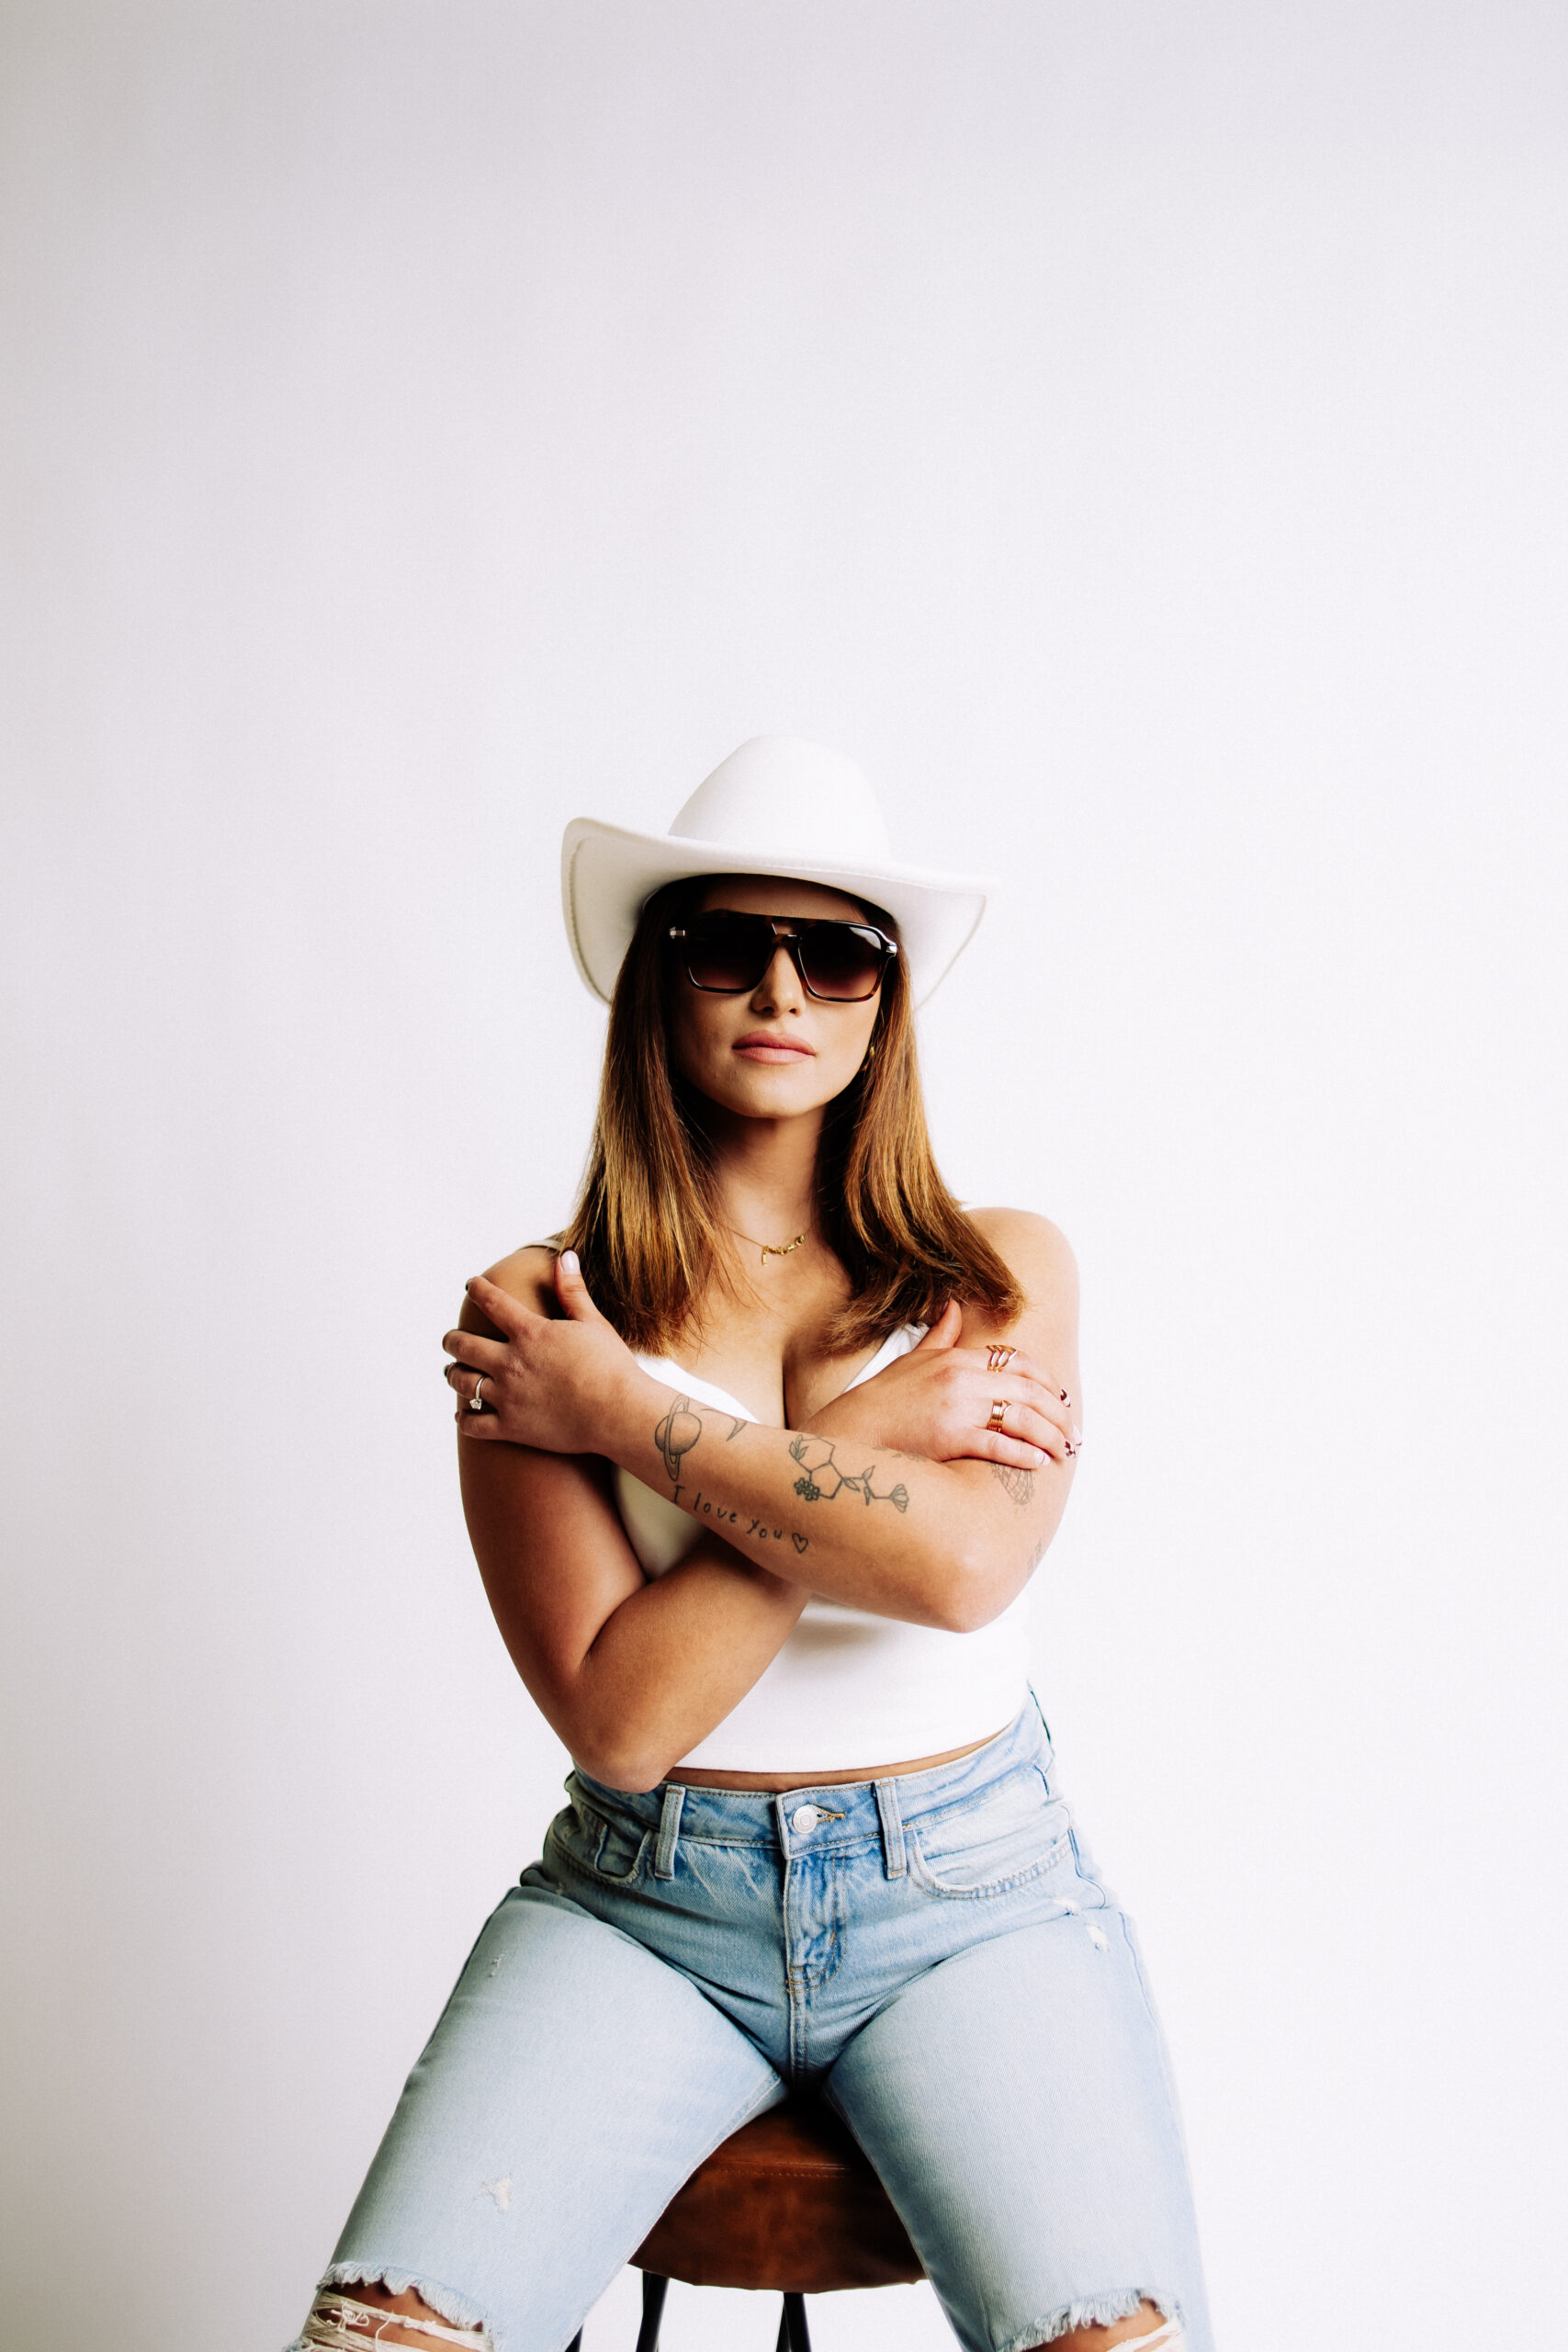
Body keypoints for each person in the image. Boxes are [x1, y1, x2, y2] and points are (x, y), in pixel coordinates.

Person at [287, 739, 1213, 2352]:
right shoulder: (540, 1316)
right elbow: (623, 1718)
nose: (783, 987)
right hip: (645, 1910)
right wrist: (869, 1434)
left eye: (836, 952)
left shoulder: (995, 1273)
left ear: (884, 1002)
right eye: (728, 943)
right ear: (660, 978)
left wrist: (624, 1414)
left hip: (973, 1897)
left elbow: (963, 1571)